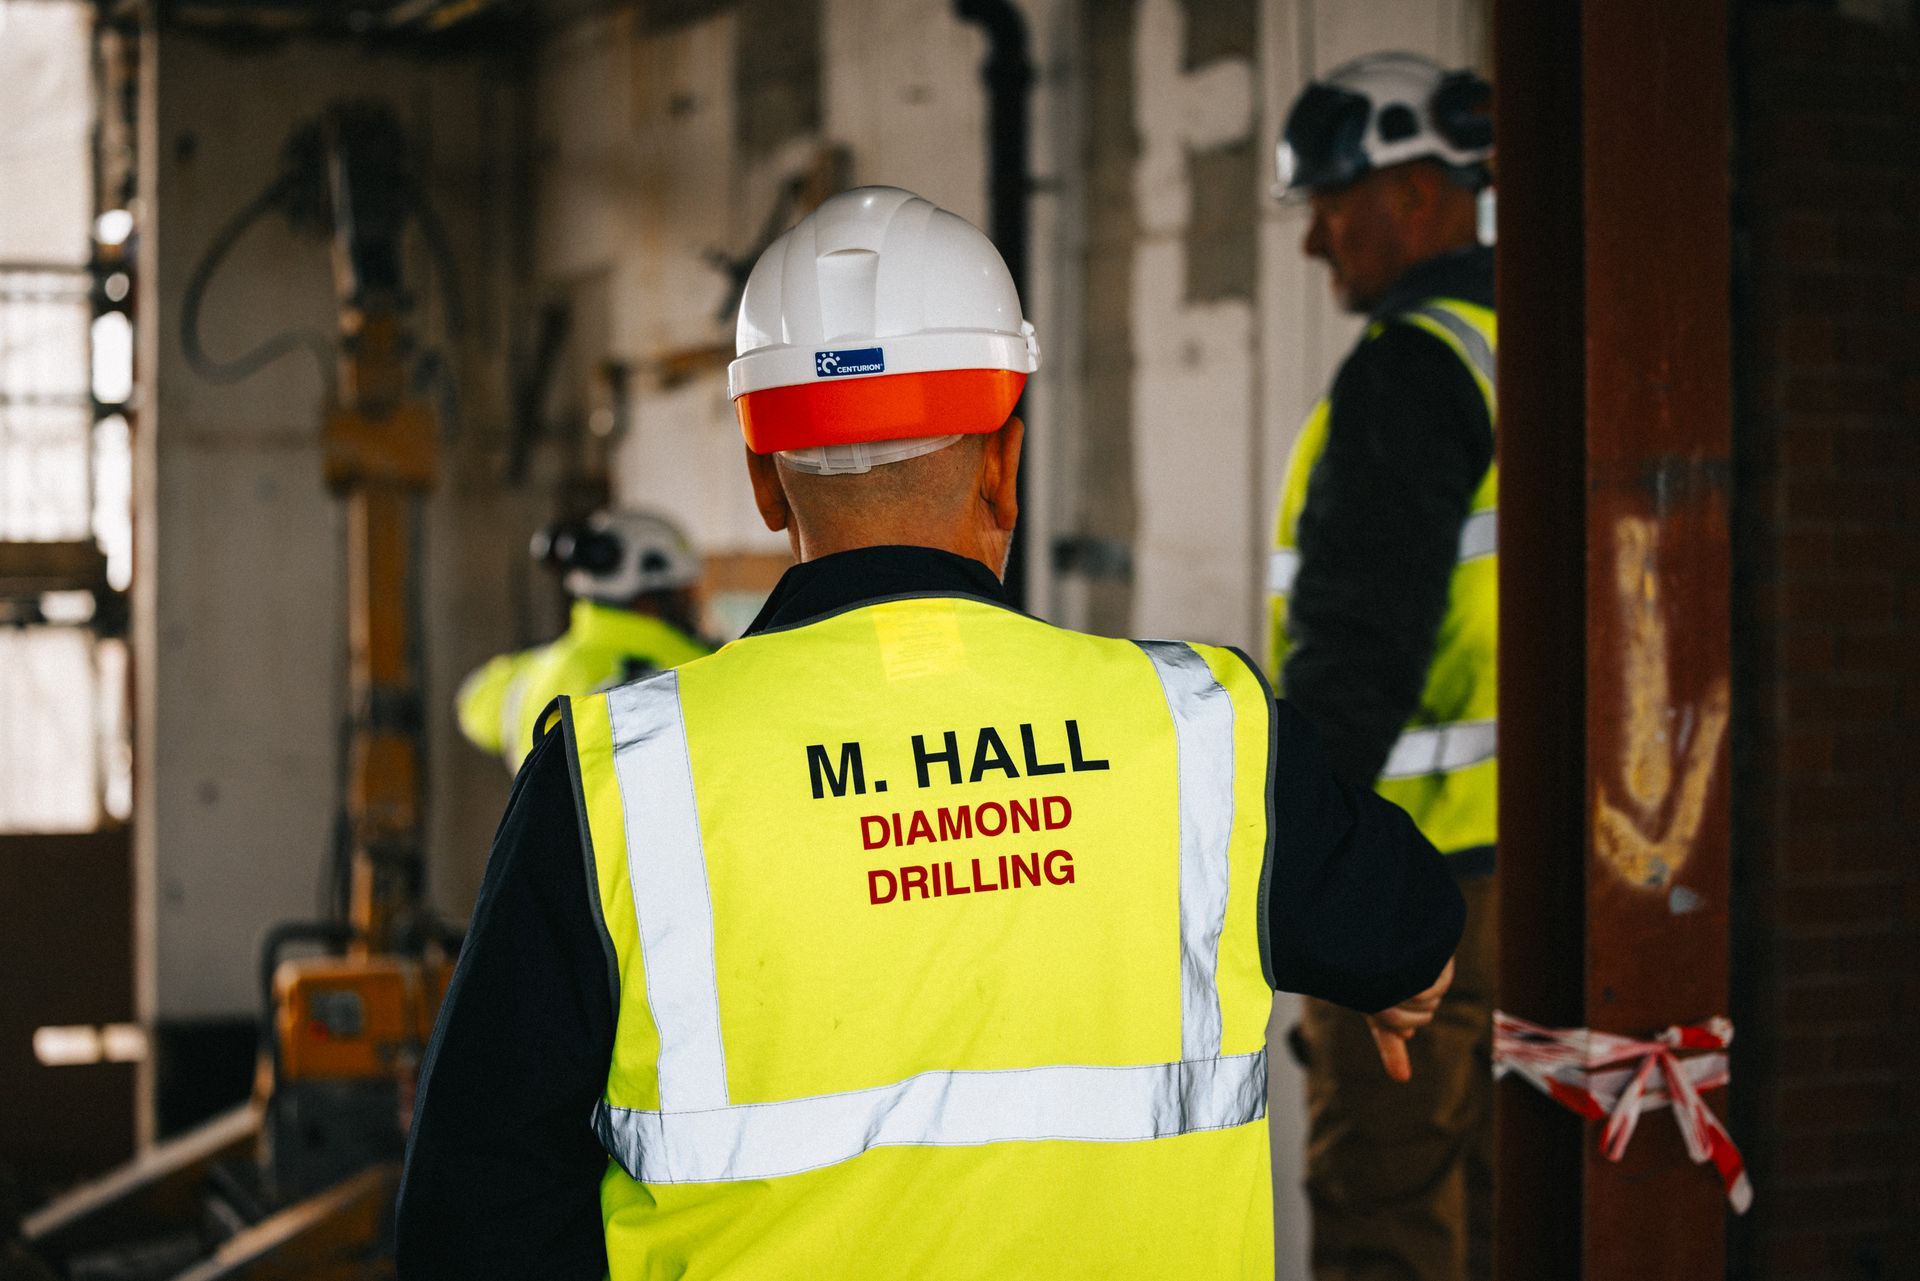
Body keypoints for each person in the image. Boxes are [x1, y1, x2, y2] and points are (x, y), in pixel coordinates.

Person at [397, 186, 1463, 1281]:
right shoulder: (1198, 726)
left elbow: (469, 1221)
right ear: (1003, 462)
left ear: (765, 479)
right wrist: (1397, 974)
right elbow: (1411, 931)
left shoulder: (613, 776)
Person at [1267, 53, 1499, 1281]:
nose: (1316, 244)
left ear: (1417, 192)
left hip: (1411, 874)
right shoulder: (1537, 343)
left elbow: (1356, 649)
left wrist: (1307, 859)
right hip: (1532, 866)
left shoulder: (1411, 371)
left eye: (1332, 204)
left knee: (1383, 1211)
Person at [454, 508, 710, 773]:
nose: (694, 604)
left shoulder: (535, 671)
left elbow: (474, 707)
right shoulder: (690, 672)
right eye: (686, 593)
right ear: (651, 599)